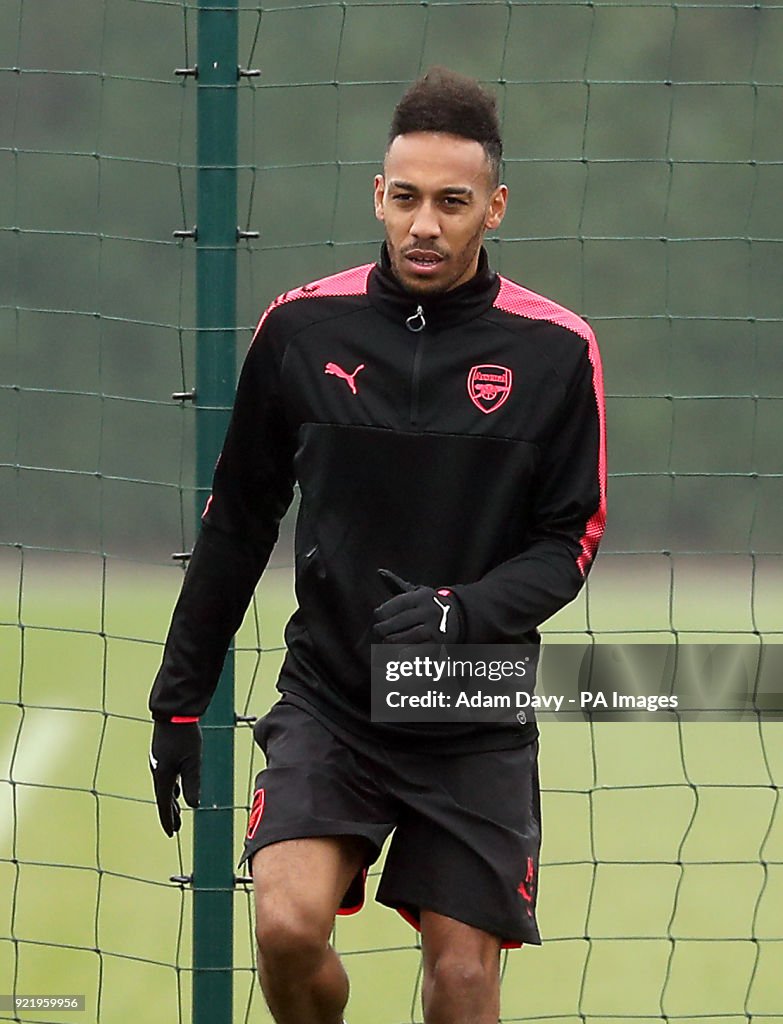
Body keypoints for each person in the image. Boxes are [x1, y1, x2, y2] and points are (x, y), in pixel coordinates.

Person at [148, 67, 606, 1024]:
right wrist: (179, 702)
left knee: (463, 979)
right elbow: (237, 522)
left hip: (469, 703)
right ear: (377, 197)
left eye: (452, 202)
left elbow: (570, 540)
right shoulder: (300, 327)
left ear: (496, 208)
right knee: (283, 926)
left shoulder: (557, 350)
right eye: (406, 199)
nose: (425, 225)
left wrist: (460, 612)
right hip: (333, 697)